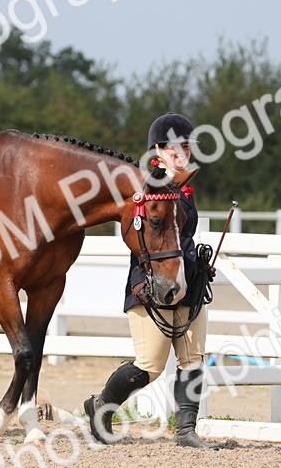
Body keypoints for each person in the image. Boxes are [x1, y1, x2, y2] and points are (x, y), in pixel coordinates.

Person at [83, 113, 222, 449]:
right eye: (175, 146)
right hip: (151, 284)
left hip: (188, 283)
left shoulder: (184, 189)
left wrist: (198, 263)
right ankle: (102, 406)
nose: (183, 152)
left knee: (193, 358)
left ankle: (186, 430)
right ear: (157, 149)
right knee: (150, 365)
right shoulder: (144, 189)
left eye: (186, 146)